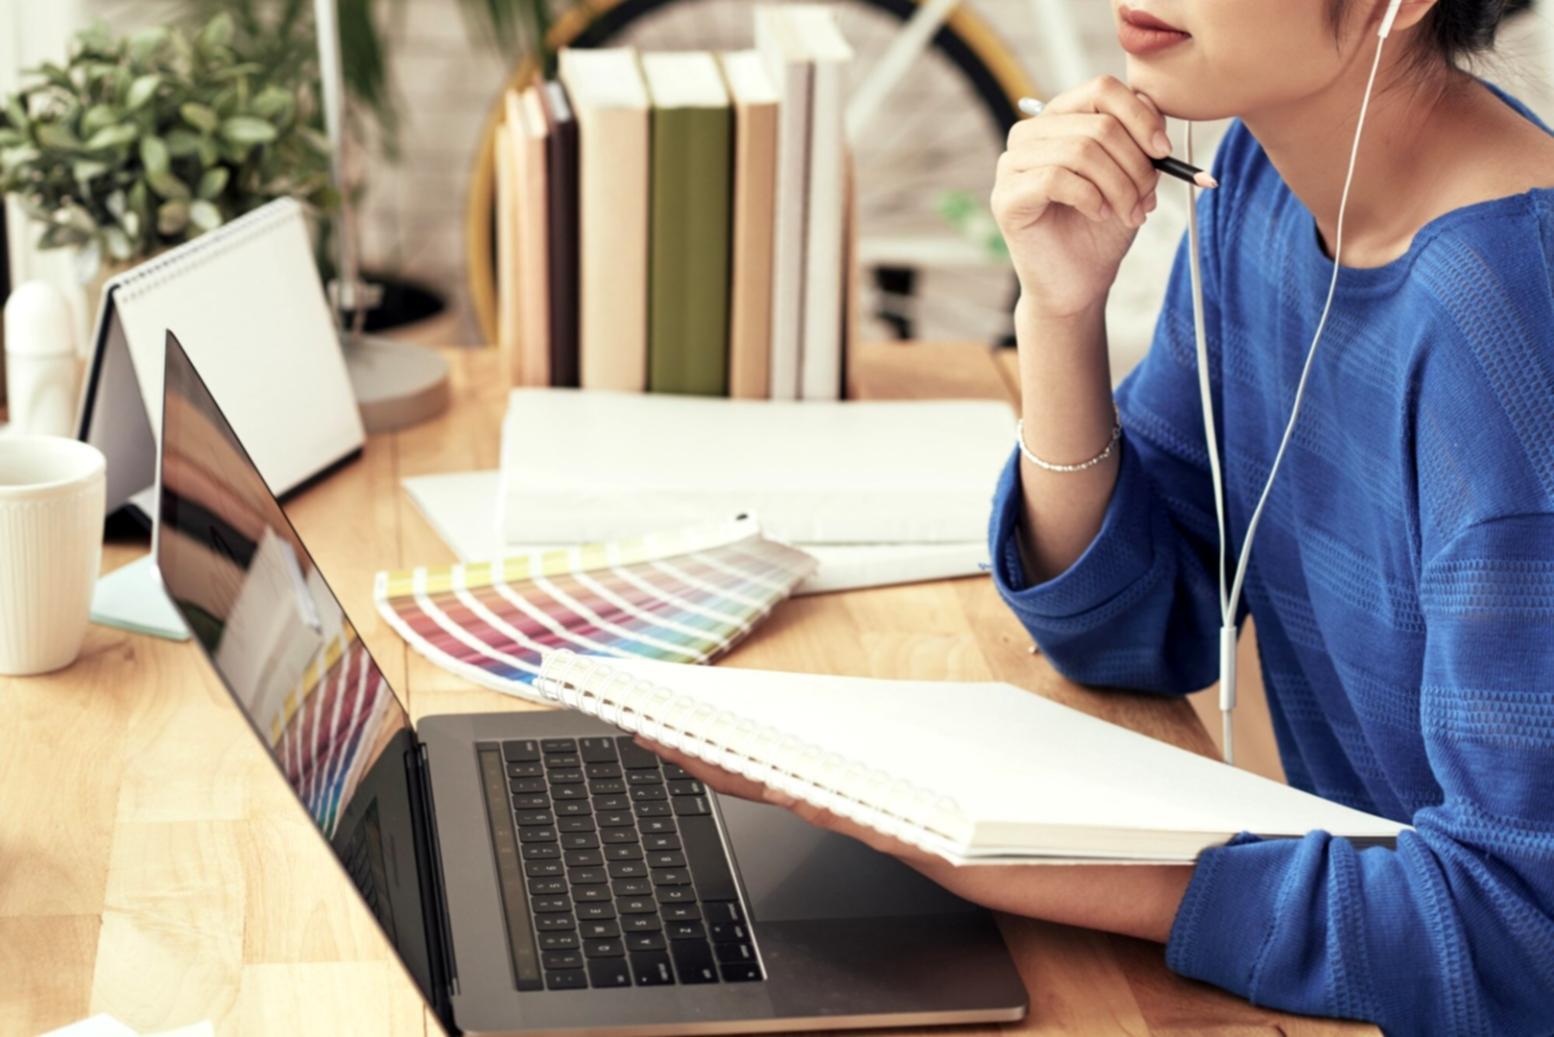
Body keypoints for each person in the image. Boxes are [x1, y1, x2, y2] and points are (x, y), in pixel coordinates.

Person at [647, 1, 1554, 1031]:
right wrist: (1060, 310)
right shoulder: (1261, 182)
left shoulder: (1516, 331)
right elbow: (1134, 621)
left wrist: (984, 846)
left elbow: (1519, 935)